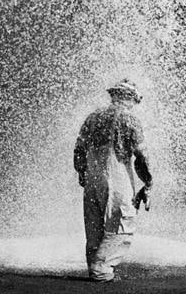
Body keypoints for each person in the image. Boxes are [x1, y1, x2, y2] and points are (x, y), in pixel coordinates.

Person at [73, 79, 153, 282]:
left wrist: (82, 173)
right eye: (134, 101)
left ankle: (95, 266)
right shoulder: (129, 118)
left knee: (94, 225)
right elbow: (141, 156)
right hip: (116, 178)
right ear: (130, 98)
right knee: (121, 223)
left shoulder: (93, 117)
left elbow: (79, 150)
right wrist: (148, 182)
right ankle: (101, 270)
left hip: (92, 177)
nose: (134, 105)